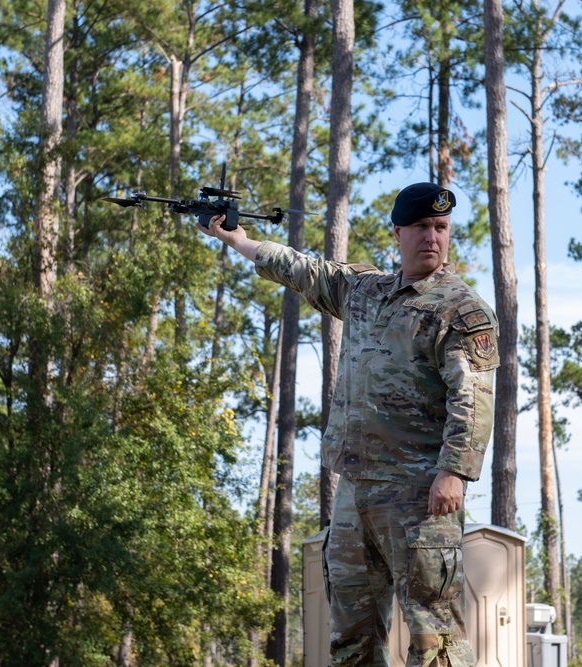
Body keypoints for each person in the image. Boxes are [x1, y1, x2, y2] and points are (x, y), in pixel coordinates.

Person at [199, 182, 498, 667]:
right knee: (351, 637)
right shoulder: (366, 291)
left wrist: (453, 472)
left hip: (418, 495)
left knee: (433, 637)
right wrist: (237, 239)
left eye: (440, 228)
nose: (431, 237)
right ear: (398, 232)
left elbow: (474, 397)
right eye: (420, 227)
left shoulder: (460, 310)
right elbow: (303, 270)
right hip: (354, 491)